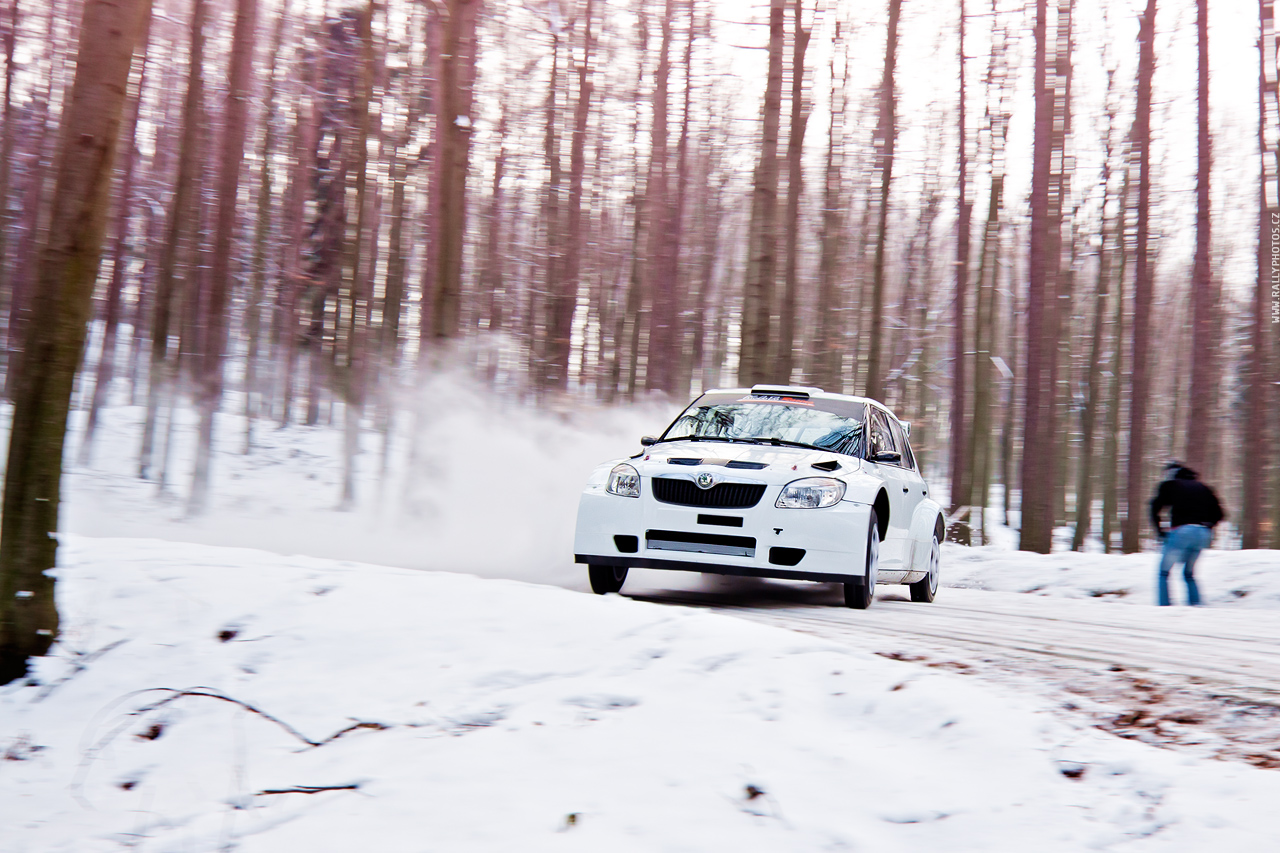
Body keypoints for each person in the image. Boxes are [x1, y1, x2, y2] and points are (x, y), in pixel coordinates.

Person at [1149, 461, 1225, 606]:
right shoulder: (1204, 487)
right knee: (1189, 574)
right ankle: (1195, 605)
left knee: (1163, 573)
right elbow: (1220, 514)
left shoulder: (1170, 485)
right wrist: (1208, 525)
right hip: (1203, 534)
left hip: (1181, 532)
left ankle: (1164, 607)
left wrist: (1160, 532)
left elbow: (1154, 509)